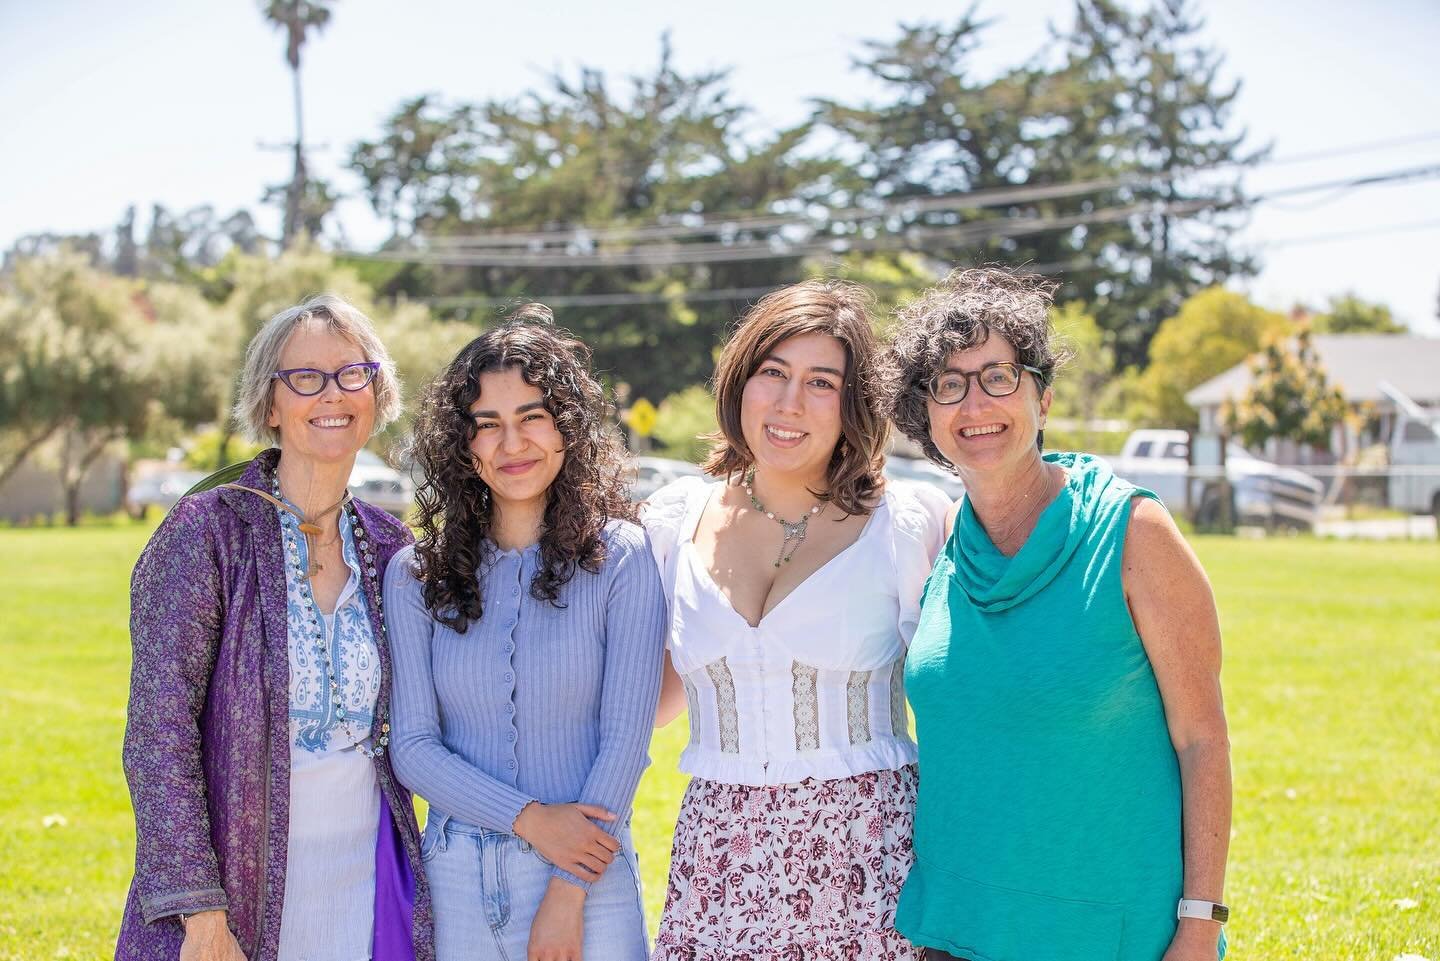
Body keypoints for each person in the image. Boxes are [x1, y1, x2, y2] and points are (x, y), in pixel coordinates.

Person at [882, 267, 1231, 961]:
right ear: (928, 416)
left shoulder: (1133, 533)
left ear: (1042, 395)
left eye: (998, 376)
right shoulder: (944, 541)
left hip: (1108, 932)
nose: (975, 401)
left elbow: (1203, 740)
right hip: (955, 929)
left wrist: (1200, 924)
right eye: (949, 383)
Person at [117, 294, 432, 961]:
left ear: (378, 393)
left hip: (364, 887)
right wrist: (201, 915)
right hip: (236, 893)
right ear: (269, 404)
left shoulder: (391, 547)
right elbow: (157, 735)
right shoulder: (205, 534)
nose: (333, 393)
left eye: (353, 373)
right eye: (305, 377)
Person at [642, 281, 947, 961]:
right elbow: (646, 701)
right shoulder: (671, 520)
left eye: (820, 382)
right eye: (772, 373)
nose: (788, 402)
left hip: (863, 861)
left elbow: (967, 701)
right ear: (740, 381)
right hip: (719, 860)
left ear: (854, 402)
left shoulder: (908, 524)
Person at [383, 308, 666, 961]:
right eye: (488, 425)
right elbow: (416, 748)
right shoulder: (415, 575)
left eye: (532, 417)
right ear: (464, 444)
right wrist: (531, 820)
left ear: (568, 426)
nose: (511, 443)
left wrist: (566, 893)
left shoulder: (621, 558)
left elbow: (625, 739)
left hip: (589, 881)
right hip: (455, 881)